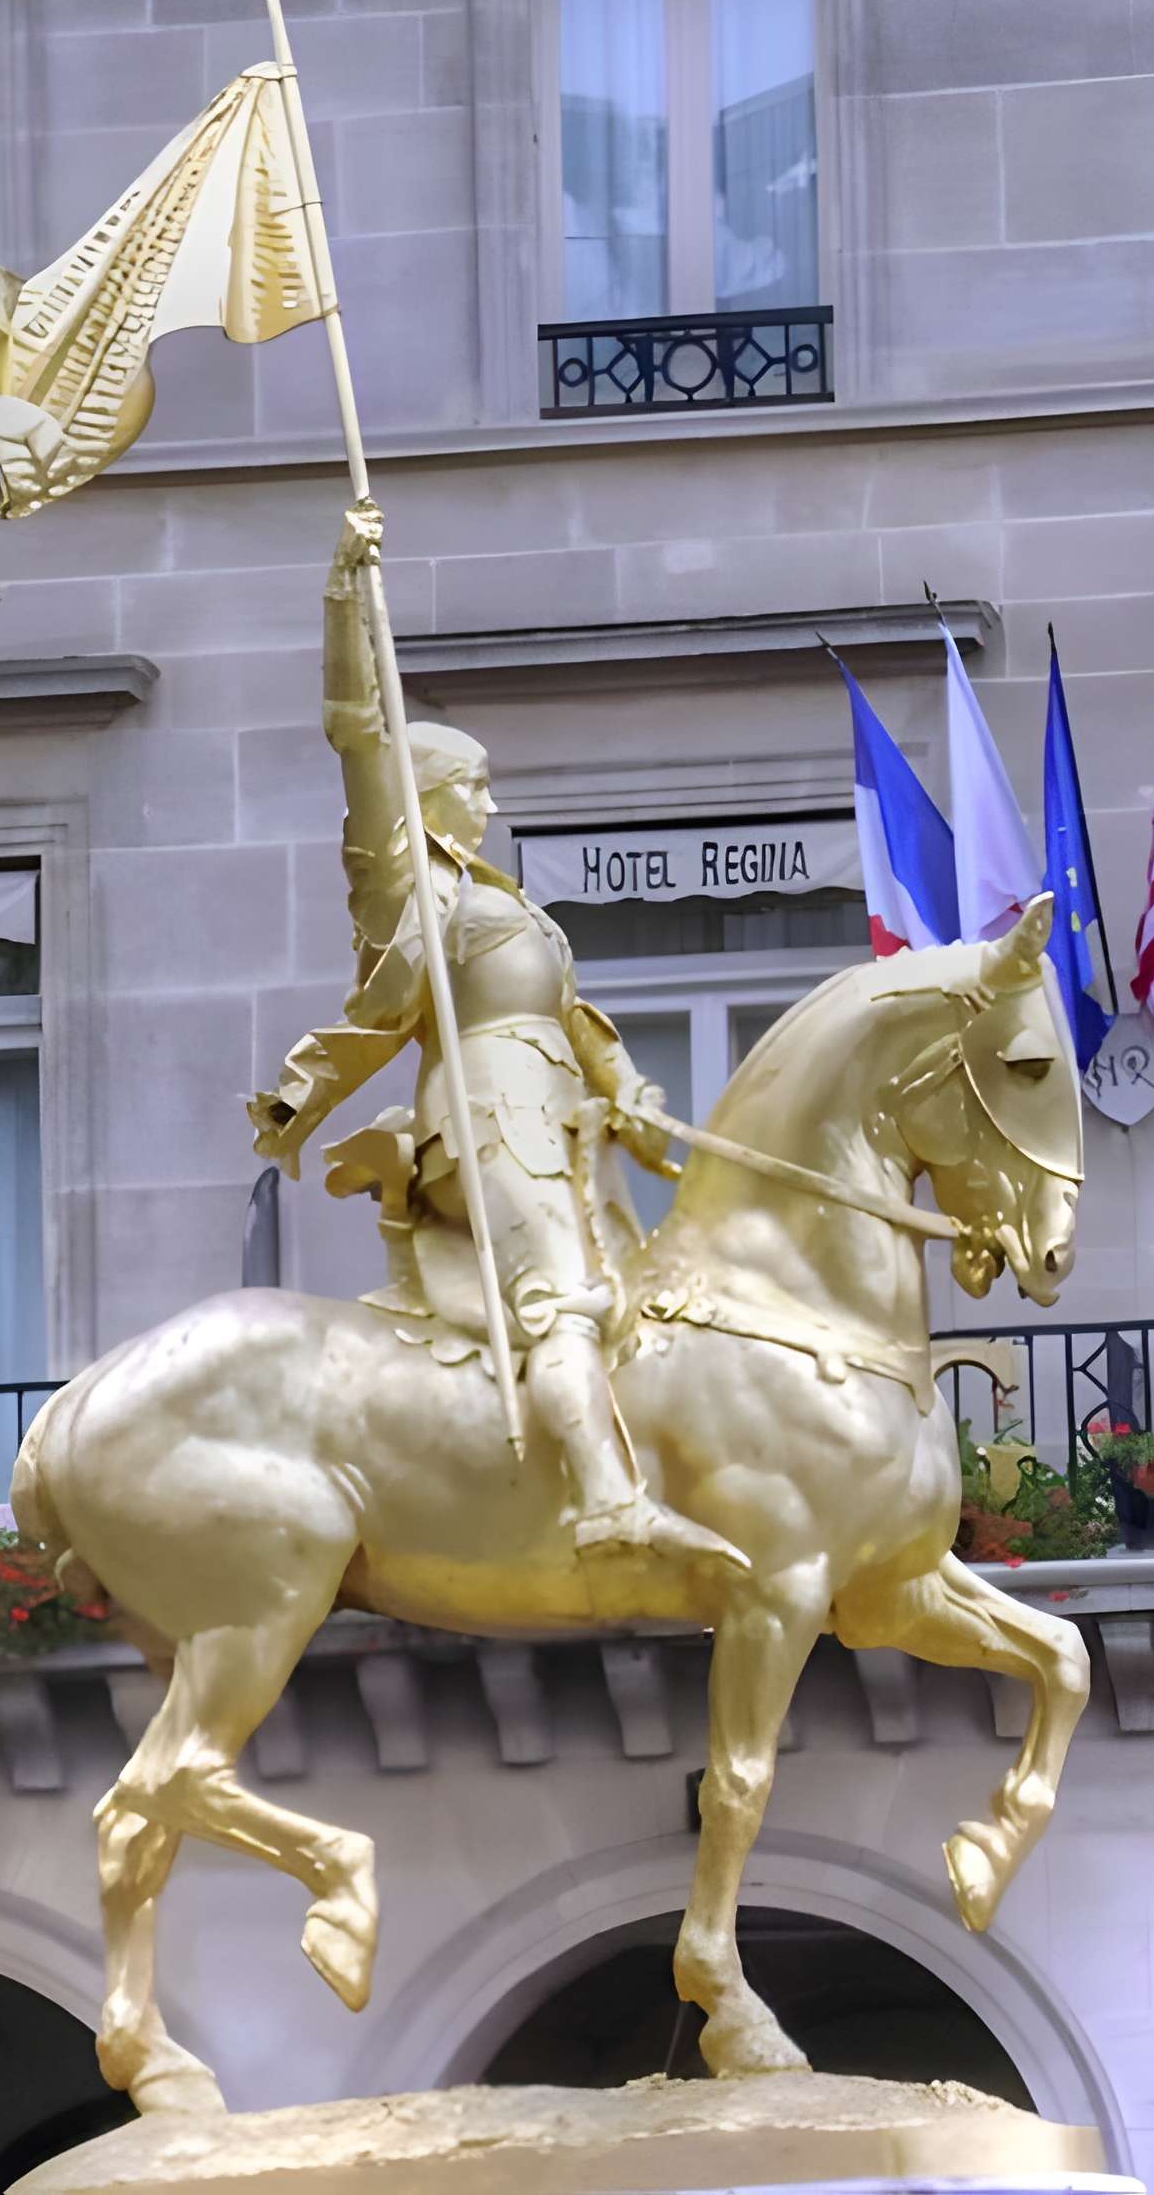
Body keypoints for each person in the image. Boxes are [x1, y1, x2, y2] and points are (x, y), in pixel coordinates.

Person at [250, 503, 746, 1576]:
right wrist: (350, 586)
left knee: (630, 1298)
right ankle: (610, 1500)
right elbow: (359, 729)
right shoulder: (407, 882)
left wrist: (633, 1088)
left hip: (562, 1122)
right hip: (486, 1119)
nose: (491, 797)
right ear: (427, 798)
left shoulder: (506, 903)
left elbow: (573, 1015)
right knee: (559, 1298)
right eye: (473, 781)